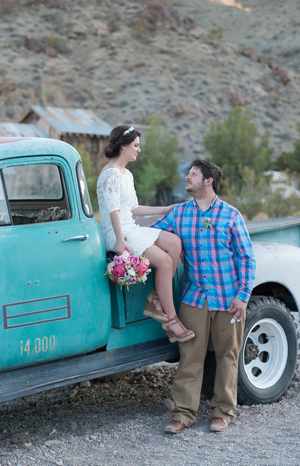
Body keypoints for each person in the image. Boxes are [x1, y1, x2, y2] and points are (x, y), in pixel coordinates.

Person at [152, 159, 256, 434]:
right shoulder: (179, 214)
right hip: (194, 297)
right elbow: (152, 234)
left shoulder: (231, 215)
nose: (187, 178)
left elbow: (246, 257)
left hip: (228, 298)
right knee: (190, 356)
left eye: (193, 174)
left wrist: (243, 295)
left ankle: (223, 411)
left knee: (228, 356)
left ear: (208, 181)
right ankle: (183, 413)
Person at [96, 125, 194, 342]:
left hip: (129, 226)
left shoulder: (127, 174)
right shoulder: (111, 173)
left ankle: (157, 300)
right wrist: (120, 241)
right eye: (136, 145)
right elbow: (113, 210)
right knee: (166, 262)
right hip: (116, 231)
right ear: (123, 146)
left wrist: (164, 208)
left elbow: (132, 209)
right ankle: (171, 320)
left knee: (175, 243)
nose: (139, 150)